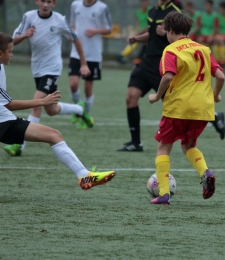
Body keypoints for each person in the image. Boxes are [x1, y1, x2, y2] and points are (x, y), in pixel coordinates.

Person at [0, 32, 115, 190]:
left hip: (5, 120)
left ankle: (84, 176)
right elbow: (10, 104)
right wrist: (42, 101)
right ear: (0, 53)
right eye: (10, 51)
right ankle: (83, 175)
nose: (12, 54)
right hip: (3, 122)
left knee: (54, 135)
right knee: (54, 135)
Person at [117, 0, 225, 152]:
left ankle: (213, 116)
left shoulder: (175, 9)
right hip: (147, 60)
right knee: (131, 97)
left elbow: (180, 34)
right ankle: (136, 143)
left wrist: (163, 34)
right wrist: (137, 38)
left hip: (164, 62)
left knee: (172, 101)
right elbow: (152, 34)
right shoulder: (153, 11)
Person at [148, 12, 225, 205]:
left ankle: (164, 194)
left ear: (171, 31)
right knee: (189, 145)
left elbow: (167, 77)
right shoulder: (204, 49)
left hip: (178, 108)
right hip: (203, 109)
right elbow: (221, 76)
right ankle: (205, 172)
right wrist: (215, 95)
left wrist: (156, 96)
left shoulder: (171, 50)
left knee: (163, 147)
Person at [3, 0, 93, 156]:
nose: (45, 4)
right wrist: (25, 35)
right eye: (42, 1)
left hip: (52, 69)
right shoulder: (29, 17)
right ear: (37, 1)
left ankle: (19, 146)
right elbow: (13, 40)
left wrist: (83, 64)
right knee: (51, 109)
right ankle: (79, 109)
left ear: (54, 3)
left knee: (37, 103)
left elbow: (76, 39)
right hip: (37, 68)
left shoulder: (59, 20)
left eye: (49, 1)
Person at [68, 0, 112, 129]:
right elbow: (72, 25)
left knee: (88, 87)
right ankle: (78, 109)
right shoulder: (75, 5)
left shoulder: (102, 7)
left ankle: (85, 116)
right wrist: (70, 34)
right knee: (73, 84)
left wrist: (95, 31)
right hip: (76, 52)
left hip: (93, 53)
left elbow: (108, 29)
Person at [116, 0, 152, 65]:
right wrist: (136, 32)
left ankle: (139, 58)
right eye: (143, 2)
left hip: (148, 32)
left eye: (146, 2)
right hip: (141, 32)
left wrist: (140, 32)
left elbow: (148, 24)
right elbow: (138, 24)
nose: (144, 3)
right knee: (134, 41)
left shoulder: (151, 11)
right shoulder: (138, 12)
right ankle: (122, 55)